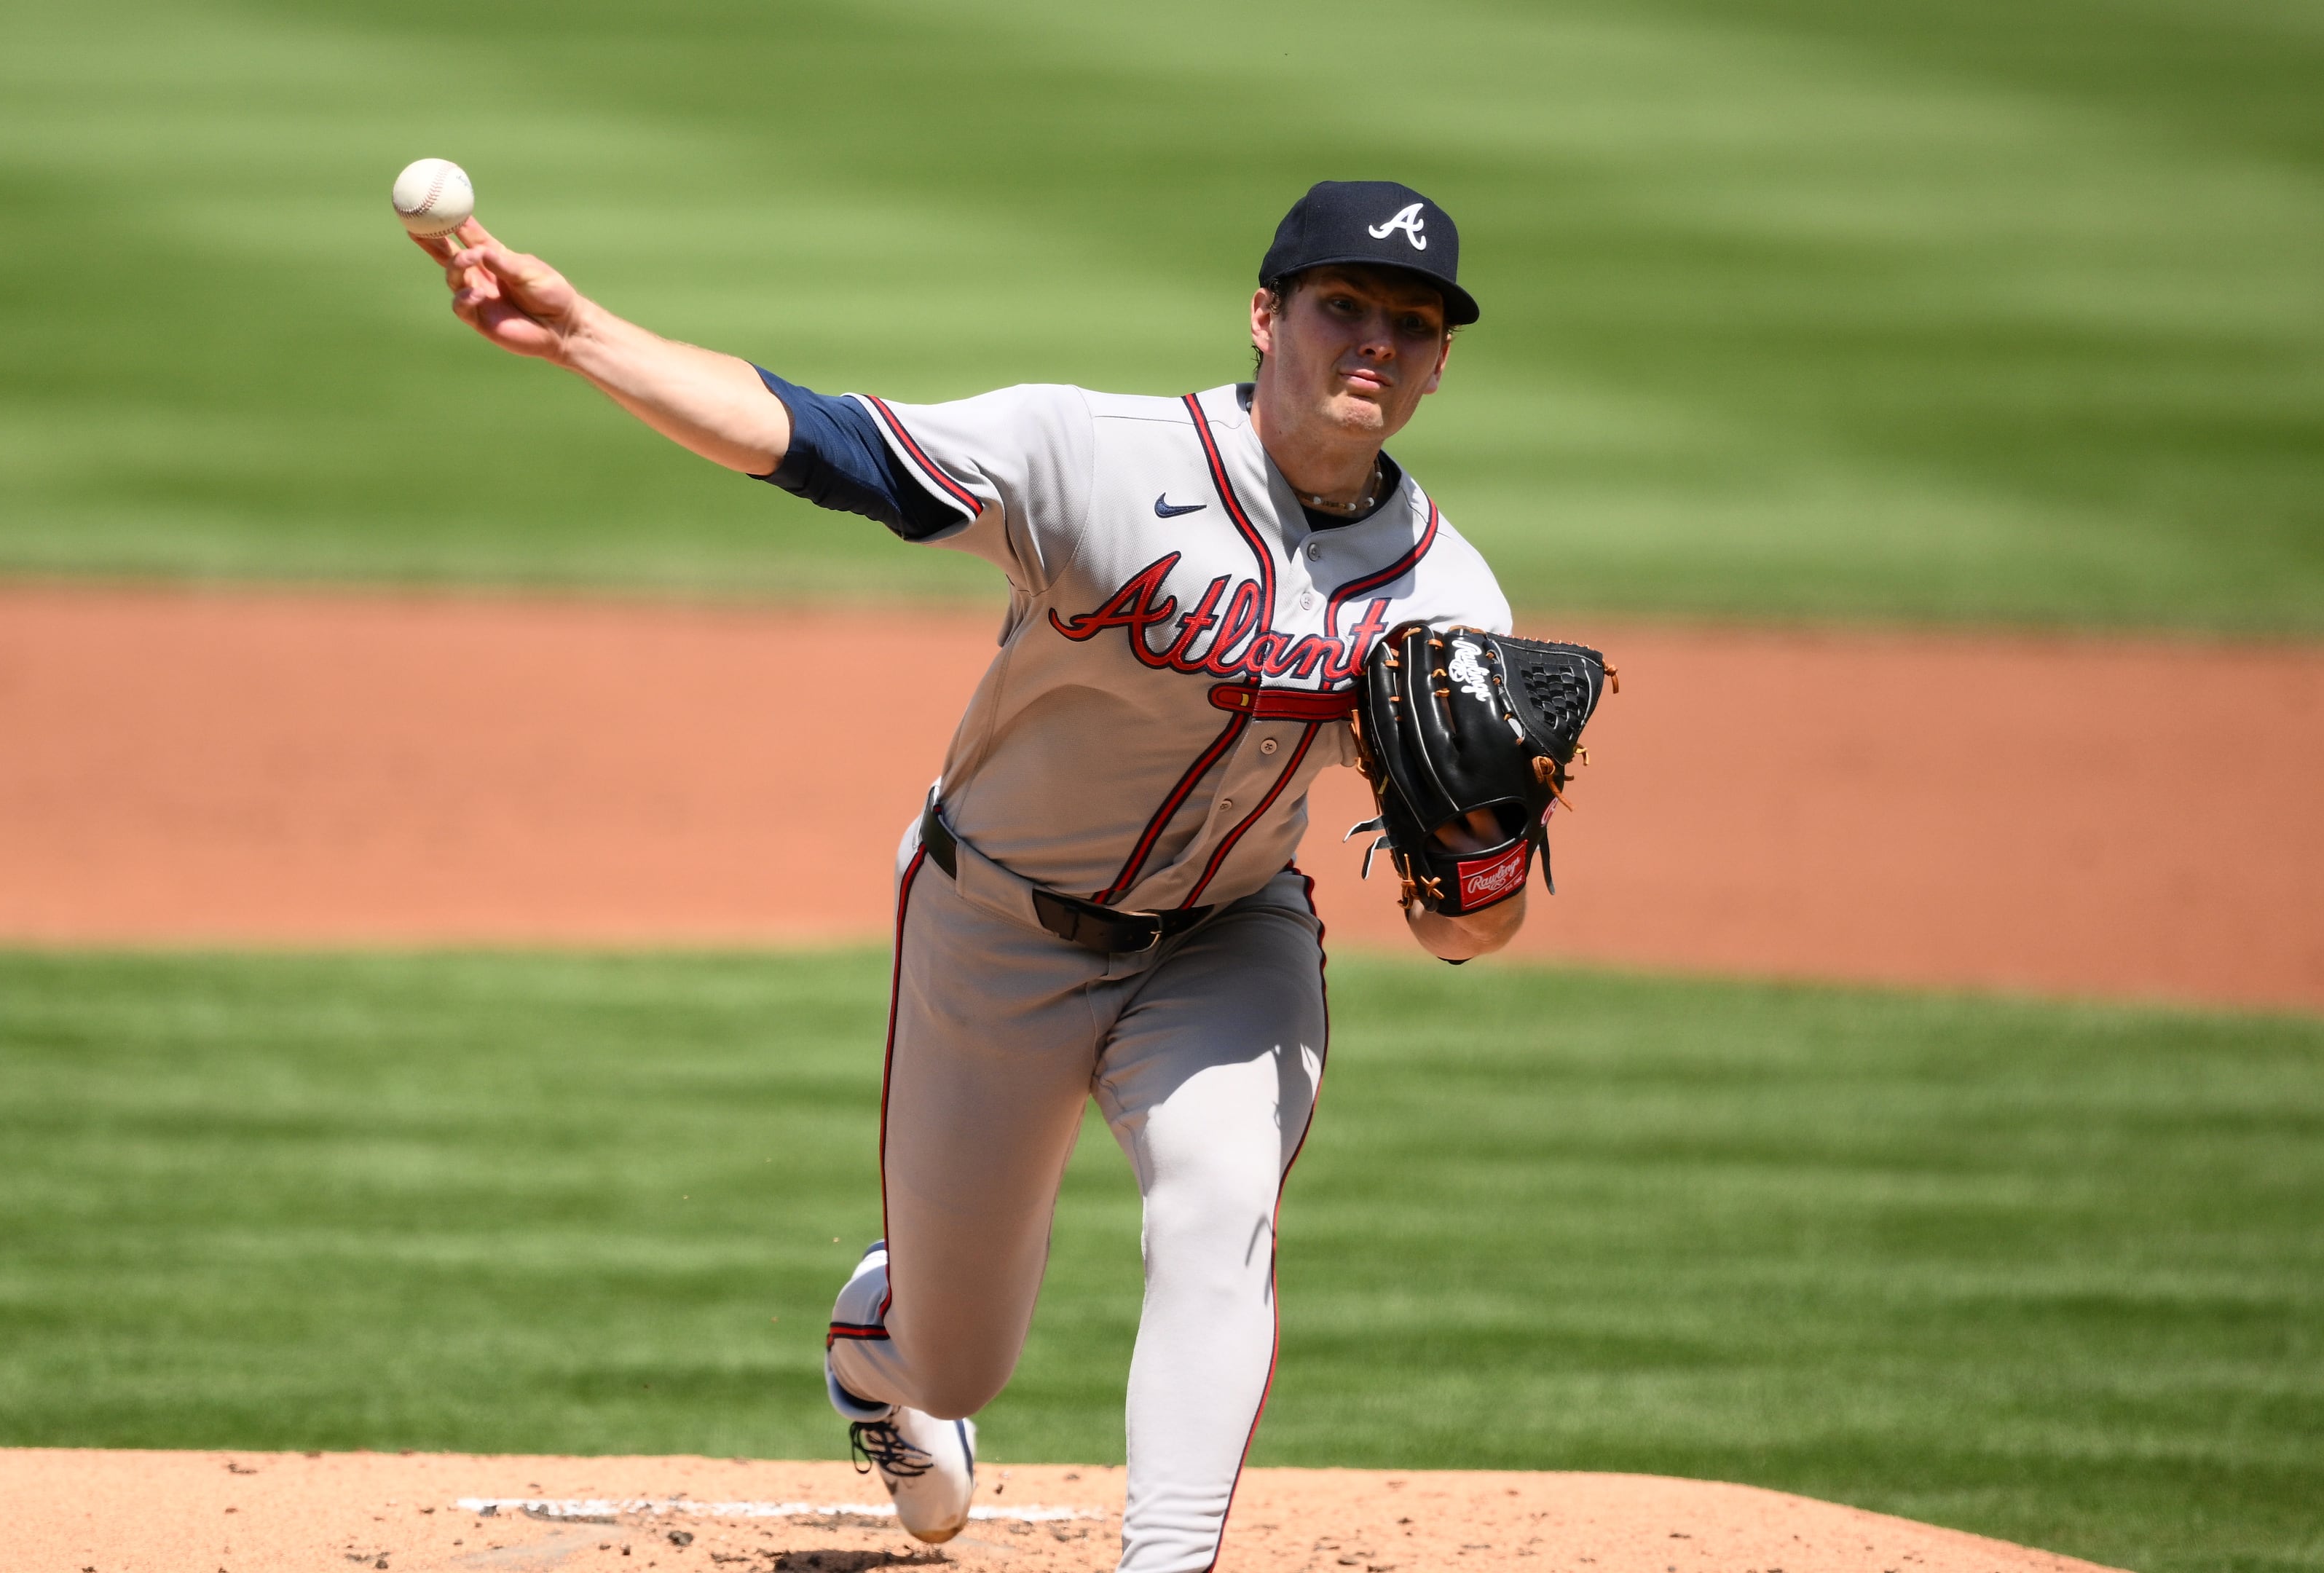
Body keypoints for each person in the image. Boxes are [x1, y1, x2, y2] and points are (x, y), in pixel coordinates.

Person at [411, 179, 1523, 1573]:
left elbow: (1469, 930)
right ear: (1264, 316)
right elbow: (822, 444)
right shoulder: (1095, 456)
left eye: (1411, 324)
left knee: (1219, 1202)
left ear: (1437, 362)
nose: (1375, 341)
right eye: (1342, 305)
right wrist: (584, 333)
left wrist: (1477, 879)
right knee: (957, 1358)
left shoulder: (1450, 601)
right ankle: (876, 1360)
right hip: (996, 930)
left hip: (1227, 944)